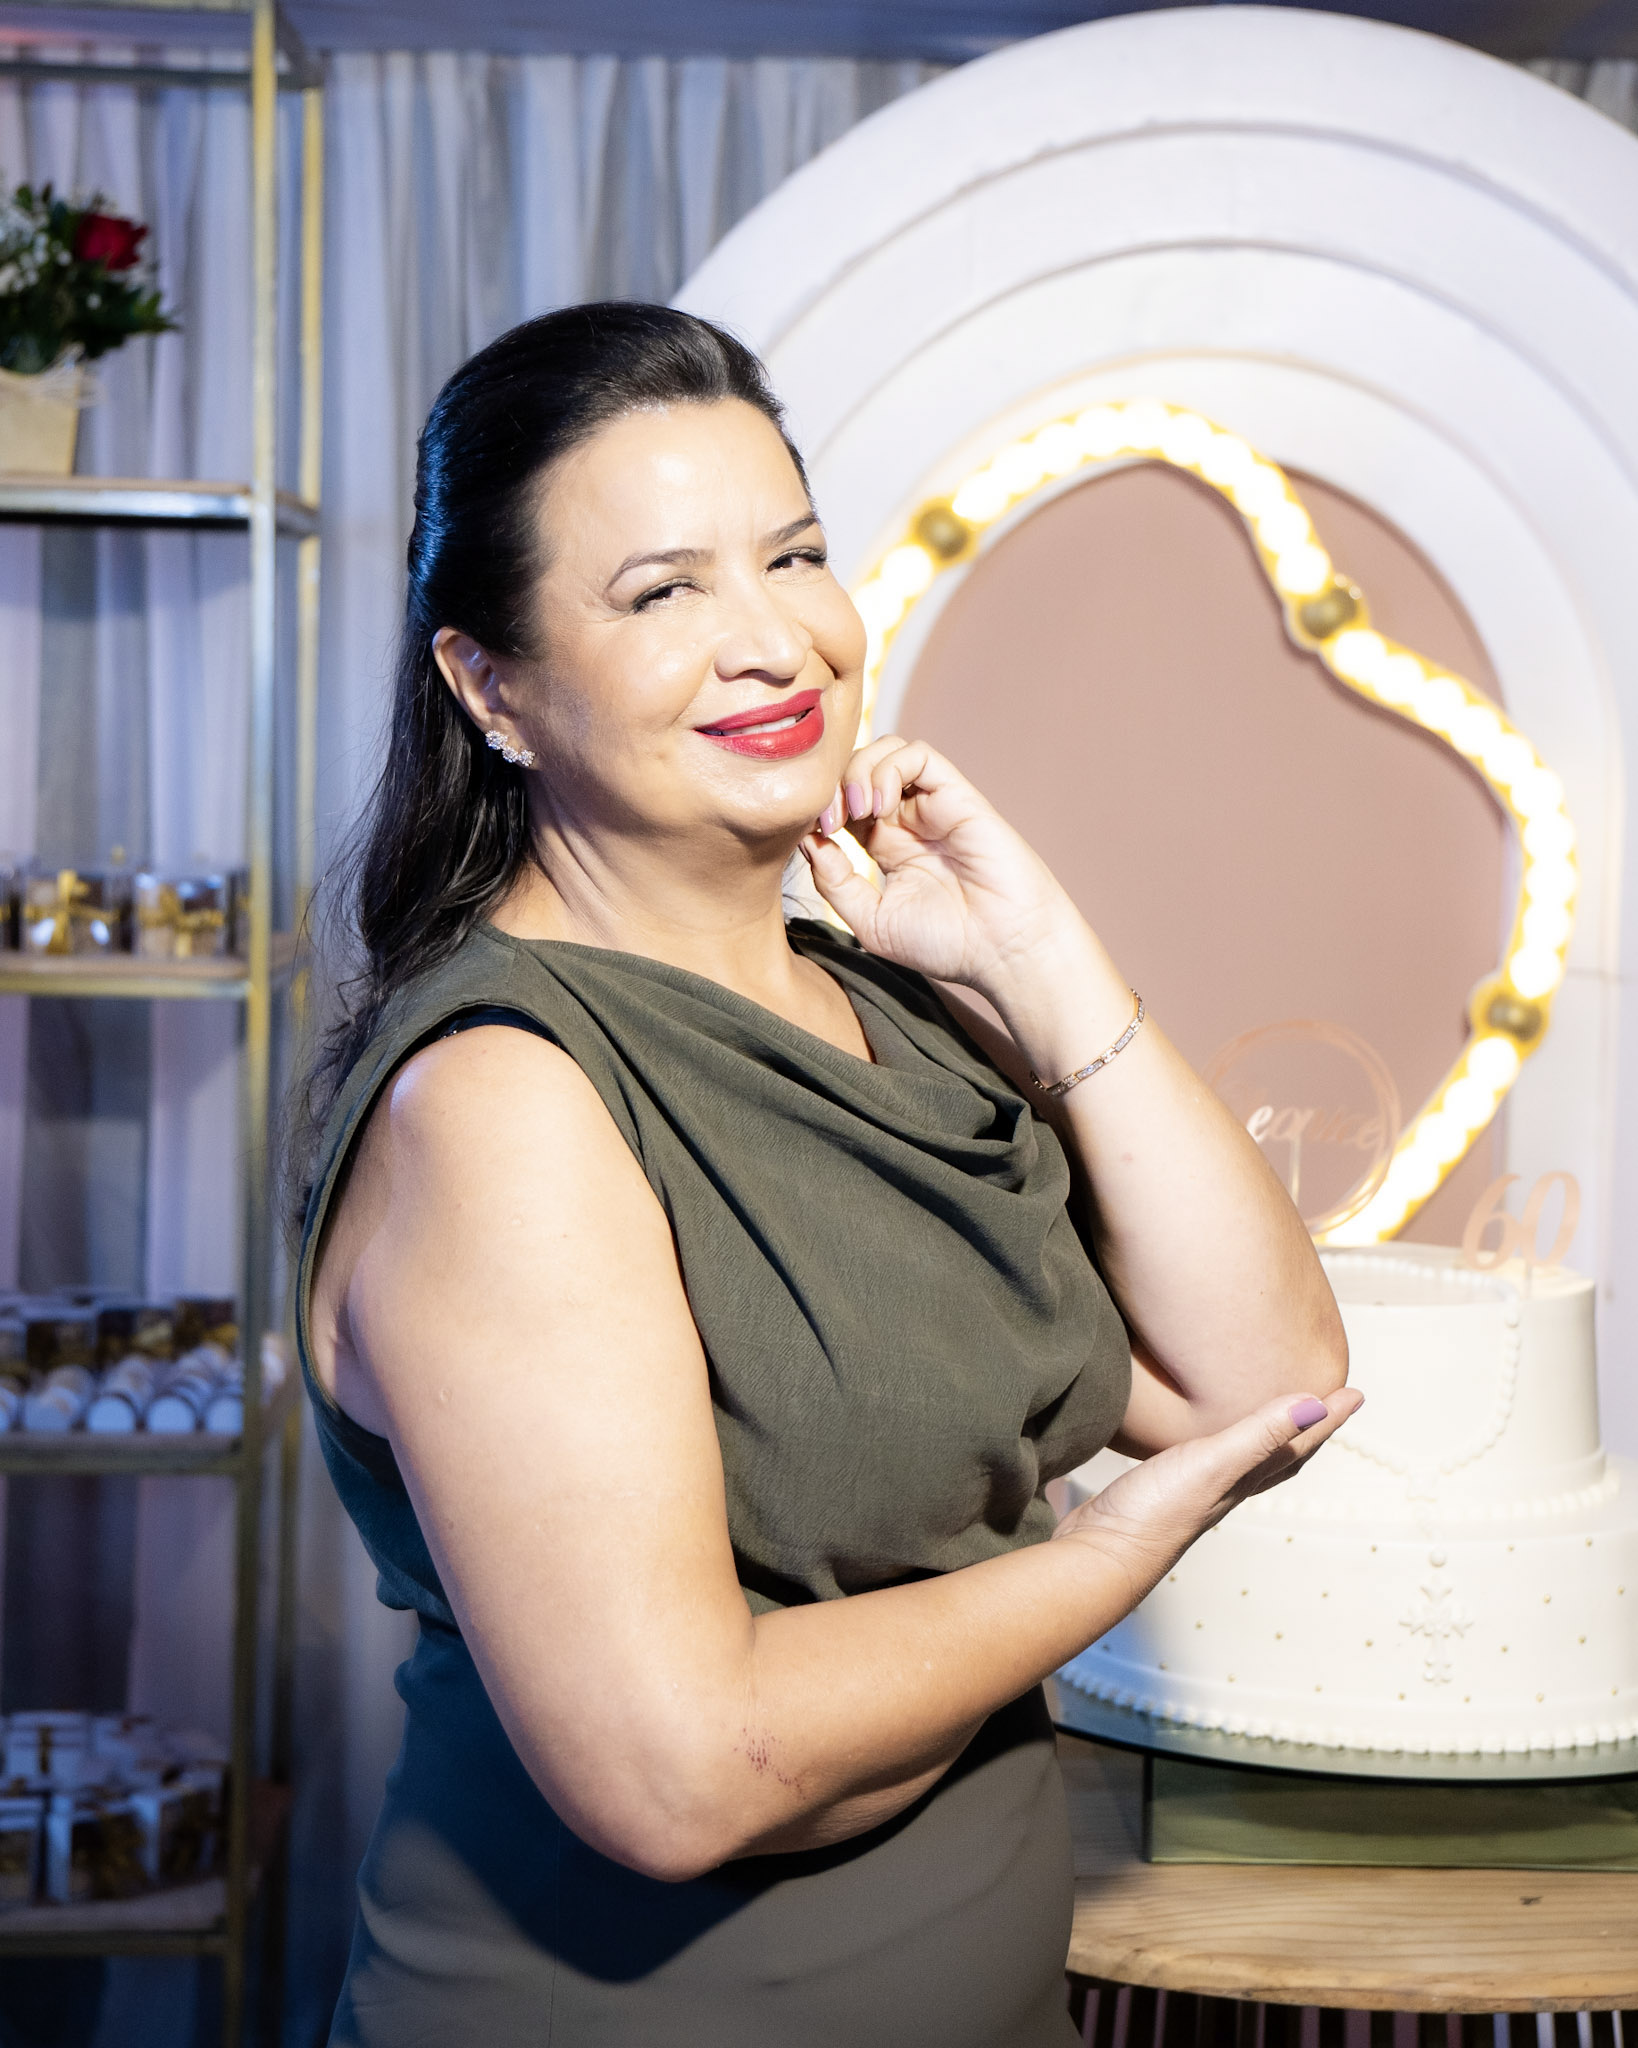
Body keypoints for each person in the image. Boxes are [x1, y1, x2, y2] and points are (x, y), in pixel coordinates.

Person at [293, 301, 1358, 2048]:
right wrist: (1099, 1558)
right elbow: (678, 1773)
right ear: (490, 687)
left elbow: (1267, 1383)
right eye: (663, 591)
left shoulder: (897, 1014)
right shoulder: (505, 1100)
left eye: (791, 555)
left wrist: (1039, 960)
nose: (771, 638)